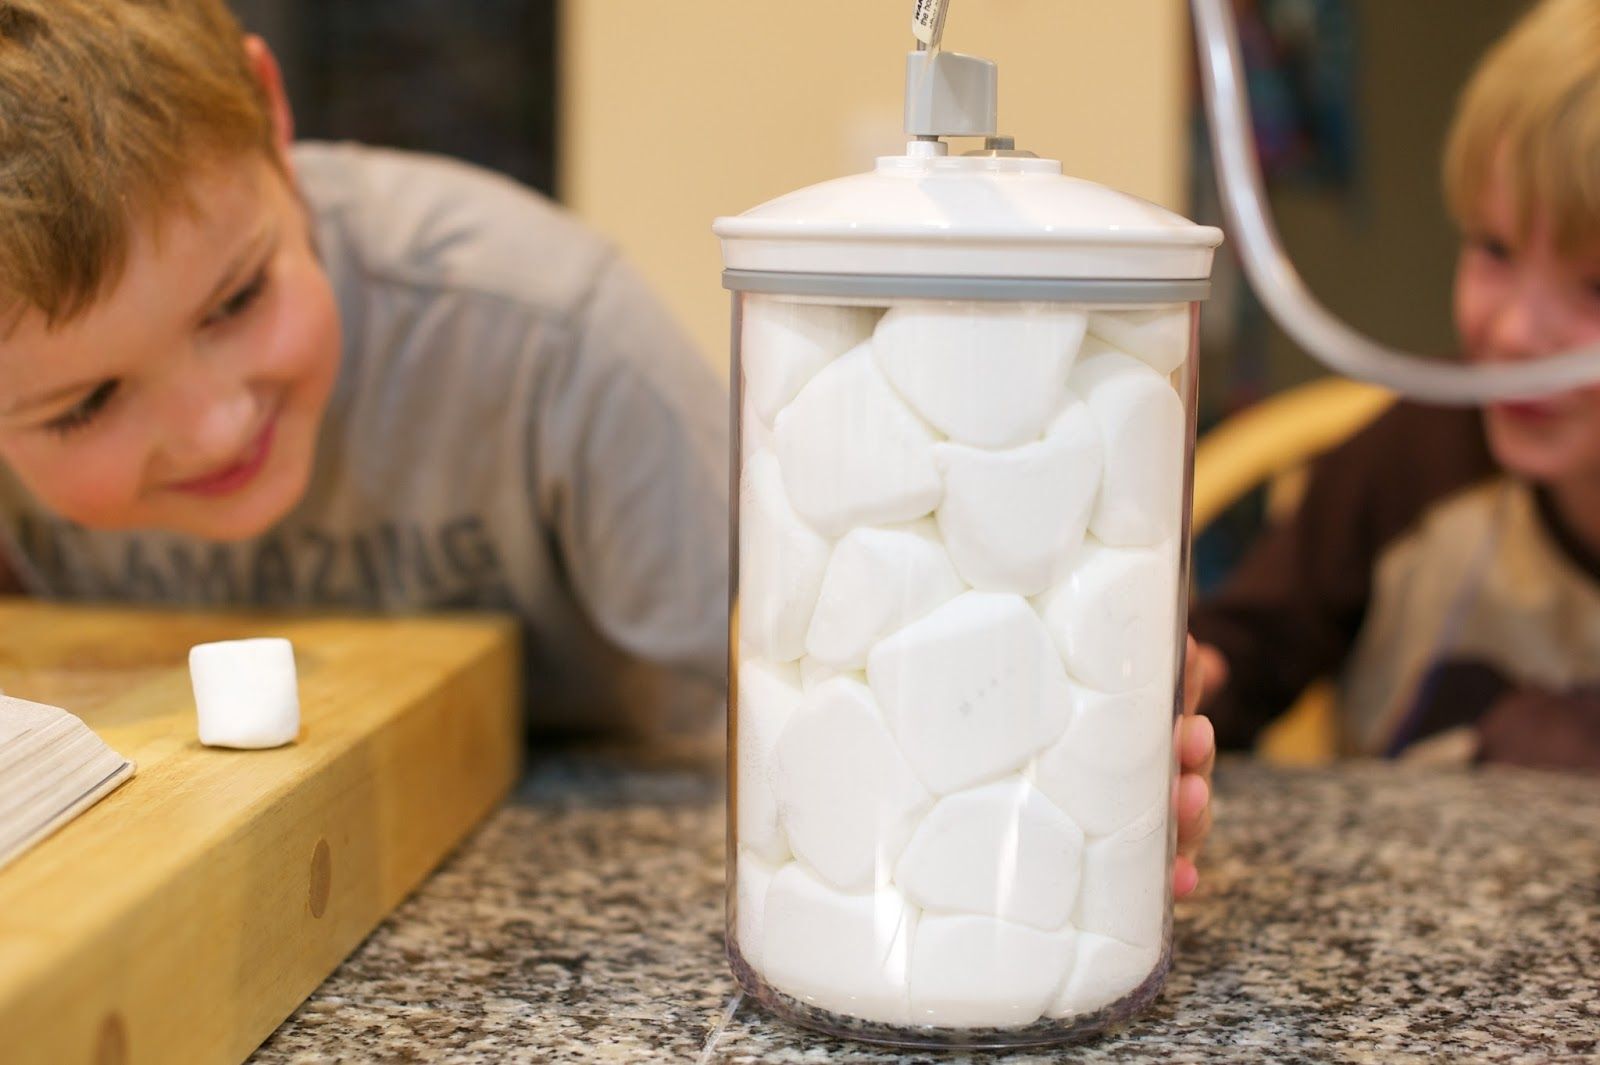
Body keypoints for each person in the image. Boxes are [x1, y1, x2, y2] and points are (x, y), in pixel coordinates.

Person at [0, 0, 729, 749]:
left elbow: (780, 722)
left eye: (238, 300)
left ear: (270, 112)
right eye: (86, 404)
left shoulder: (555, 342)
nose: (214, 429)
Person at [1189, 0, 1600, 783]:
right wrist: (1174, 695)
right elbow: (1235, 661)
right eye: (1494, 249)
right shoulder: (1409, 463)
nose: (1513, 332)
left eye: (1596, 289)